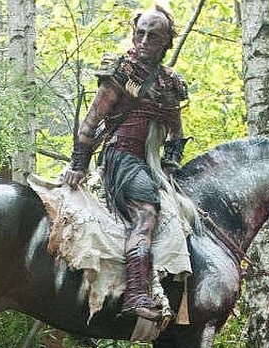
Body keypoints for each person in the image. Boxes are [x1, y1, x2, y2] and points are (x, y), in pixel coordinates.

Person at [59, 3, 189, 321]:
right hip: (121, 158)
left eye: (152, 36)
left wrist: (170, 163)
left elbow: (175, 133)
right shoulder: (121, 72)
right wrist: (78, 163)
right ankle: (136, 295)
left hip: (150, 165)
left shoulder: (169, 84)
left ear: (165, 42)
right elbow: (90, 124)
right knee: (146, 213)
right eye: (140, 34)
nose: (144, 41)